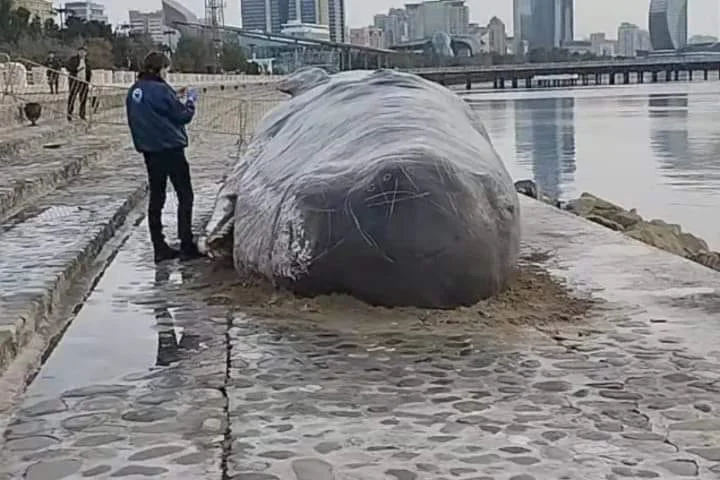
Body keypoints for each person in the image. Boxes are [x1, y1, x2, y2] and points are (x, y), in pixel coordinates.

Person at [126, 51, 203, 263]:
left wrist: (173, 96)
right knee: (185, 195)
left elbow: (153, 108)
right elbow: (182, 116)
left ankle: (159, 246)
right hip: (170, 148)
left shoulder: (135, 90)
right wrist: (190, 102)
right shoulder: (161, 90)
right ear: (161, 68)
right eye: (167, 69)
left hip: (150, 151)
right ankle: (186, 244)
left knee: (156, 198)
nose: (167, 73)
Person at [65, 46, 92, 120]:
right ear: (78, 52)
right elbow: (68, 67)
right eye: (81, 51)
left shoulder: (87, 61)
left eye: (84, 52)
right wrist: (76, 69)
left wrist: (88, 82)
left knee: (83, 99)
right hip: (75, 81)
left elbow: (89, 72)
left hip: (84, 82)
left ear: (86, 53)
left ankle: (82, 114)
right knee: (72, 98)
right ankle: (69, 114)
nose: (82, 53)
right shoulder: (73, 59)